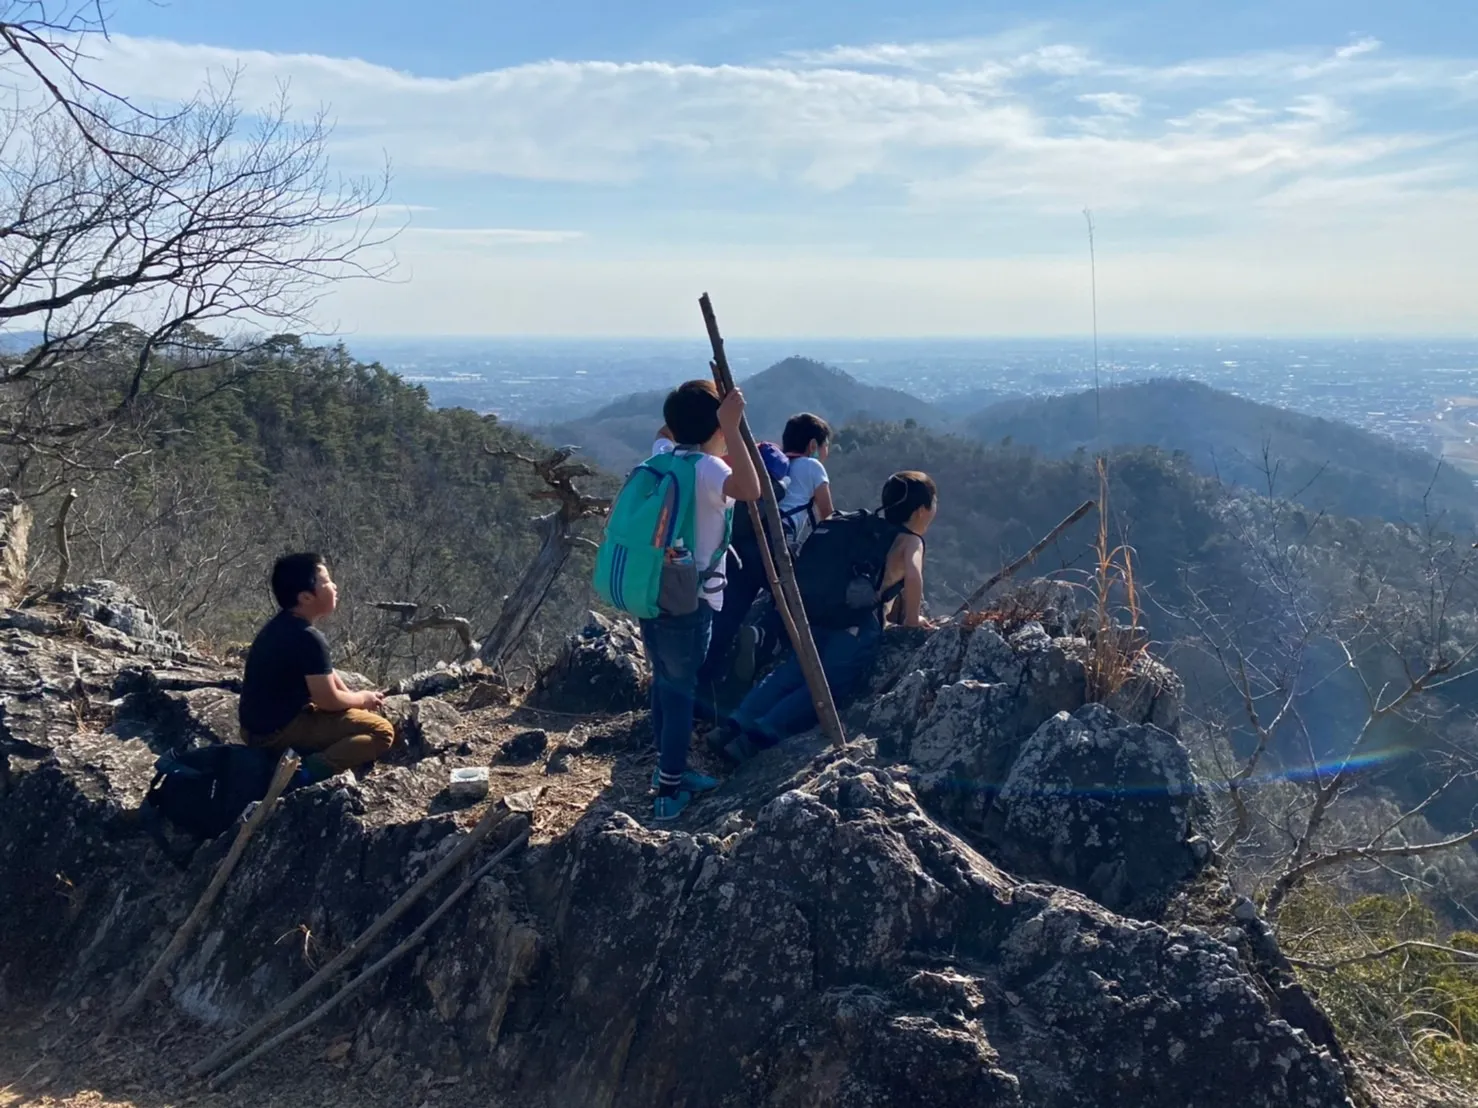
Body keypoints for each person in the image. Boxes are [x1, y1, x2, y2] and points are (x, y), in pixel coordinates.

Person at [721, 471, 938, 758]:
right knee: (825, 687)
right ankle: (756, 737)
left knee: (794, 671)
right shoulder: (910, 541)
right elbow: (913, 573)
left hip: (819, 613)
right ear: (922, 510)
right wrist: (913, 620)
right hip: (855, 628)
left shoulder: (863, 526)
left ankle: (734, 724)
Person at [642, 381, 761, 820]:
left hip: (652, 590)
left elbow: (664, 428)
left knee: (663, 680)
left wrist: (704, 416)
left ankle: (664, 771)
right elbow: (751, 489)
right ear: (716, 429)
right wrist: (731, 426)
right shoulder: (709, 469)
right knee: (679, 694)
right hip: (692, 602)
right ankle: (669, 792)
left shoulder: (661, 458)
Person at [238, 553, 395, 783]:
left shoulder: (282, 625)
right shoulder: (308, 638)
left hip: (255, 727)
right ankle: (303, 773)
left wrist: (352, 700)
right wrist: (362, 698)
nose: (334, 586)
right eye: (326, 581)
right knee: (382, 732)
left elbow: (325, 674)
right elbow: (328, 701)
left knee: (352, 712)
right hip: (276, 733)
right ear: (306, 597)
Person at [777, 412, 834, 547]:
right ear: (813, 445)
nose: (827, 450)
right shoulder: (813, 466)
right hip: (784, 534)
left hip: (762, 530)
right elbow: (828, 516)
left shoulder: (777, 465)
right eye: (826, 444)